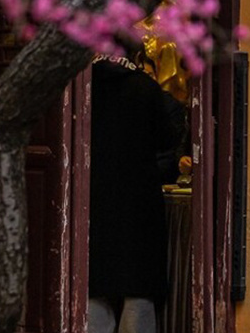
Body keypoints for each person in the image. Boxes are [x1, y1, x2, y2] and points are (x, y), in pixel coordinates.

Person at [88, 52, 175, 333]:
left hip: (94, 198)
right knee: (138, 290)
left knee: (95, 284)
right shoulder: (145, 88)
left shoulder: (81, 87)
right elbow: (167, 137)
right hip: (139, 200)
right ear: (135, 54)